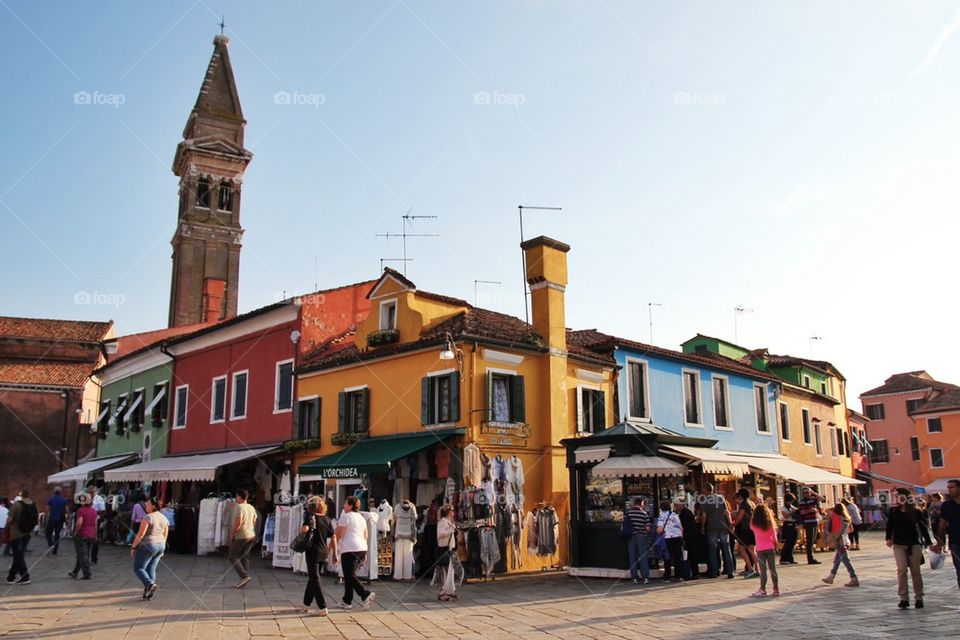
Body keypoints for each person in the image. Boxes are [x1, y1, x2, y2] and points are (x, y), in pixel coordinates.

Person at [886, 487, 931, 609]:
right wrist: (888, 538)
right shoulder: (894, 511)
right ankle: (904, 598)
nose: (896, 498)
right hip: (898, 544)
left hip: (914, 544)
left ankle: (919, 597)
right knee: (902, 570)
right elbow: (889, 526)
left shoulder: (916, 512)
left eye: (898, 496)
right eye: (895, 496)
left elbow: (923, 528)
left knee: (915, 571)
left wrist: (929, 542)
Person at [334, 496, 375, 610]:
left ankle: (364, 594)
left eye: (346, 504)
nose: (344, 506)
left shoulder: (345, 517)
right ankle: (347, 601)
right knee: (349, 575)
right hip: (361, 548)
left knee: (349, 575)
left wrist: (334, 548)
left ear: (351, 505)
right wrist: (365, 551)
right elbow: (365, 534)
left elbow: (339, 534)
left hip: (350, 548)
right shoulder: (361, 517)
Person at [299, 496, 335, 616]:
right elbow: (332, 536)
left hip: (312, 551)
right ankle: (306, 604)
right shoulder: (326, 519)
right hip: (323, 551)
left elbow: (304, 529)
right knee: (313, 577)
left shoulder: (310, 517)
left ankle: (322, 606)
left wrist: (302, 531)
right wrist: (334, 553)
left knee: (314, 578)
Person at [130, 497, 168, 600]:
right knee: (151, 568)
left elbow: (140, 534)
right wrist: (162, 548)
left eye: (148, 504)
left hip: (148, 544)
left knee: (139, 568)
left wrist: (134, 547)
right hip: (160, 544)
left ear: (153, 506)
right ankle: (148, 592)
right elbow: (165, 534)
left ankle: (149, 584)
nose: (146, 506)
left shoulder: (147, 517)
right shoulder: (164, 518)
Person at [931, 478, 960, 591]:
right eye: (948, 487)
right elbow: (942, 525)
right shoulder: (947, 505)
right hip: (955, 542)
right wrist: (940, 543)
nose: (949, 490)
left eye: (952, 487)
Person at [821, 502, 859, 588]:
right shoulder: (846, 518)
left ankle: (854, 578)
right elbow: (850, 530)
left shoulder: (837, 519)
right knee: (837, 561)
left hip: (840, 542)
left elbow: (837, 532)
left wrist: (831, 539)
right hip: (845, 540)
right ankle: (831, 577)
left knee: (846, 561)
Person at [227, 489, 258, 589]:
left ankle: (244, 576)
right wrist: (251, 529)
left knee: (232, 556)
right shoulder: (251, 507)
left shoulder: (239, 507)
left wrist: (233, 533)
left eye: (236, 496)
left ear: (239, 497)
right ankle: (244, 578)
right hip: (251, 534)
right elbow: (254, 520)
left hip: (241, 535)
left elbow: (238, 522)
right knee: (245, 556)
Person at [5, 490, 38, 585]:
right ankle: (11, 577)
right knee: (18, 556)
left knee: (18, 556)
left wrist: (10, 523)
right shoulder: (33, 504)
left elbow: (9, 520)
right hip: (27, 534)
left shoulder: (16, 505)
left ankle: (25, 577)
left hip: (16, 534)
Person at [702, 484, 735, 579]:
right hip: (723, 526)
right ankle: (730, 571)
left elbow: (704, 515)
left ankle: (714, 571)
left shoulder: (704, 500)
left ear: (706, 490)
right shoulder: (720, 498)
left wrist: (703, 526)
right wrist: (730, 524)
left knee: (712, 549)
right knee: (726, 548)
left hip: (712, 527)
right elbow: (727, 512)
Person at [750, 501, 779, 597]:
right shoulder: (770, 524)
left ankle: (762, 589)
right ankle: (776, 589)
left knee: (763, 571)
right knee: (773, 569)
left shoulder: (754, 525)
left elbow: (751, 526)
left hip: (760, 549)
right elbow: (774, 538)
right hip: (770, 547)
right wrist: (775, 545)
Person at [434, 504, 462, 601]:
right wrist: (451, 530)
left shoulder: (448, 522)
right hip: (444, 550)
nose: (453, 512)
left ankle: (450, 591)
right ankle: (442, 593)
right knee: (445, 572)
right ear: (449, 512)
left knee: (451, 572)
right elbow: (440, 534)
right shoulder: (442, 522)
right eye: (452, 510)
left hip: (449, 550)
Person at [68, 493, 97, 580]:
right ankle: (75, 572)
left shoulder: (81, 510)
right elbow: (95, 524)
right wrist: (95, 535)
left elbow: (80, 522)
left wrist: (75, 532)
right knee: (83, 553)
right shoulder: (94, 511)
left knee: (82, 555)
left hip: (82, 534)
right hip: (91, 534)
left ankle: (87, 573)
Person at [656, 500, 685, 581]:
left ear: (661, 508)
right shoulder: (675, 515)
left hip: (668, 537)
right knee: (677, 557)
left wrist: (658, 531)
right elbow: (681, 527)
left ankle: (667, 576)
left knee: (668, 557)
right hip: (677, 537)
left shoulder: (661, 516)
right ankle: (678, 575)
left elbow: (659, 530)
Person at [732, 489, 758, 578]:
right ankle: (757, 570)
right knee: (752, 550)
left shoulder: (743, 505)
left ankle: (750, 569)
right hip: (752, 529)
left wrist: (733, 524)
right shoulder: (751, 503)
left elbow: (739, 518)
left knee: (742, 549)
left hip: (746, 529)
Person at [625, 498, 652, 584]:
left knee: (632, 557)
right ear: (641, 503)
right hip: (641, 536)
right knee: (643, 557)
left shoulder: (628, 513)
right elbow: (647, 528)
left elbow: (624, 524)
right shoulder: (644, 514)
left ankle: (634, 578)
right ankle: (646, 578)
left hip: (631, 537)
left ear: (634, 503)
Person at [797, 487, 823, 564]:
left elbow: (821, 499)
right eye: (804, 493)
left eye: (807, 492)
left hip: (815, 522)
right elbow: (801, 512)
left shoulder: (813, 499)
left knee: (813, 540)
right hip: (808, 523)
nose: (806, 494)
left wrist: (814, 493)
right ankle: (810, 559)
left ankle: (812, 557)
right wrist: (810, 510)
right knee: (810, 541)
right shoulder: (802, 501)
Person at [678, 498, 701, 580]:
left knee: (691, 555)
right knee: (692, 555)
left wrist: (683, 538)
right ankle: (694, 573)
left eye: (677, 505)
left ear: (681, 505)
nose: (676, 507)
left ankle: (693, 573)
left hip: (690, 537)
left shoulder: (684, 513)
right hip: (692, 536)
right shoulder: (687, 512)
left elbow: (684, 527)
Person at [45, 487, 69, 555]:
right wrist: (67, 519)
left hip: (52, 518)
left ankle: (51, 544)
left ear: (54, 492)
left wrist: (46, 517)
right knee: (57, 534)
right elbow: (67, 510)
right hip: (60, 519)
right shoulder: (64, 500)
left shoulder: (51, 499)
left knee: (48, 533)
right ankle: (55, 549)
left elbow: (47, 509)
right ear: (60, 492)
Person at [779, 493, 798, 565]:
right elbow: (786, 516)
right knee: (788, 542)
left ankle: (790, 559)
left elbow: (796, 510)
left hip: (793, 524)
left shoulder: (791, 506)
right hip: (787, 525)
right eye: (791, 500)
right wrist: (791, 512)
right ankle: (783, 559)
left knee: (793, 542)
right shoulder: (783, 507)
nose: (792, 502)